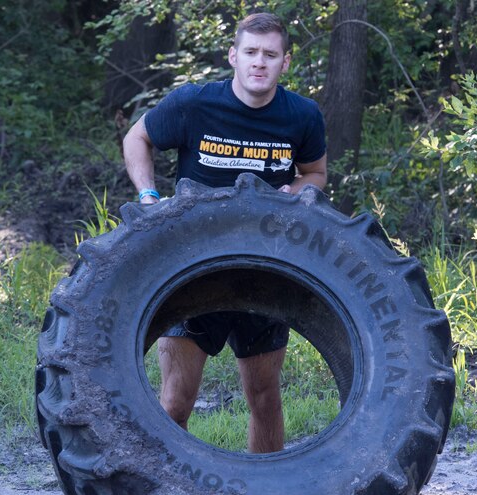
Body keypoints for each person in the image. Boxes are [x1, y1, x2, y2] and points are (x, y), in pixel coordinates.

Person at [122, 12, 327, 454]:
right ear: (233, 56)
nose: (259, 63)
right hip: (190, 270)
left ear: (285, 62)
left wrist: (298, 190)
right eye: (251, 52)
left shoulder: (302, 115)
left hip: (265, 270)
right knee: (176, 401)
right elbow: (136, 138)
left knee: (265, 398)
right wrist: (148, 197)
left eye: (270, 55)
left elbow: (316, 173)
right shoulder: (195, 104)